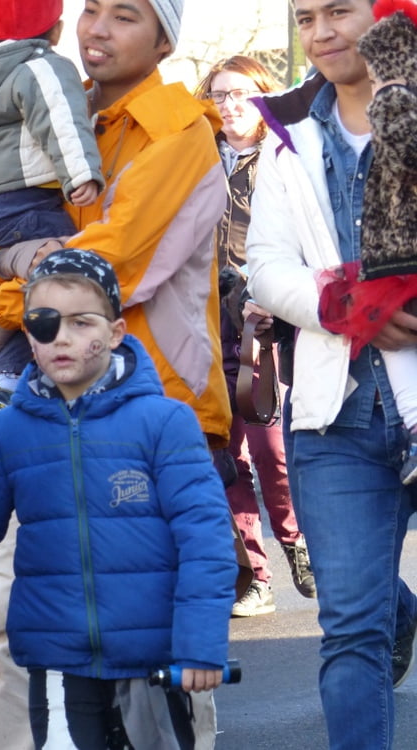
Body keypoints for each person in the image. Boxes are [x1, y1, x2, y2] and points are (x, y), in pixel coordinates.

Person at [0, 2, 231, 747]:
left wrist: (2, 298)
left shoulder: (179, 130)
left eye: (124, 15)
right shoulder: (33, 100)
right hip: (35, 413)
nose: (96, 28)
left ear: (164, 40)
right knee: (14, 630)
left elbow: (109, 267)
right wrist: (5, 263)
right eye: (91, 8)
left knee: (153, 649)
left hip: (153, 415)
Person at [0, 249, 236, 748]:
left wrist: (200, 644)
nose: (62, 337)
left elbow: (206, 539)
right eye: (45, 324)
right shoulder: (9, 432)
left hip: (154, 664)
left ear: (115, 332)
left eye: (81, 322)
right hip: (56, 663)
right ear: (28, 334)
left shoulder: (165, 423)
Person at [246, 0, 417, 745]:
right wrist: (341, 305)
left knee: (360, 620)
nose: (320, 33)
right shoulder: (287, 134)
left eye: (338, 10)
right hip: (334, 415)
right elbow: (264, 264)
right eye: (305, 17)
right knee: (351, 627)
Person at [192, 56, 316, 617]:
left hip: (265, 323)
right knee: (225, 454)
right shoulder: (195, 158)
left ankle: (296, 541)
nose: (229, 105)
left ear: (263, 98)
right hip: (203, 325)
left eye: (241, 93)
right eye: (219, 95)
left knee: (272, 452)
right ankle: (256, 575)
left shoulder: (285, 156)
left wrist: (274, 295)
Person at [0, 0, 104, 402]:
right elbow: (61, 121)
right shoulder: (41, 66)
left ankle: (4, 372)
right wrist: (81, 173)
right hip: (27, 202)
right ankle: (16, 381)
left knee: (18, 284)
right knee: (64, 271)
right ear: (57, 30)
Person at [313, 3, 417, 484]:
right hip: (390, 260)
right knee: (393, 337)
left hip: (399, 257)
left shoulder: (395, 102)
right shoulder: (294, 129)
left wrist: (391, 93)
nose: (321, 33)